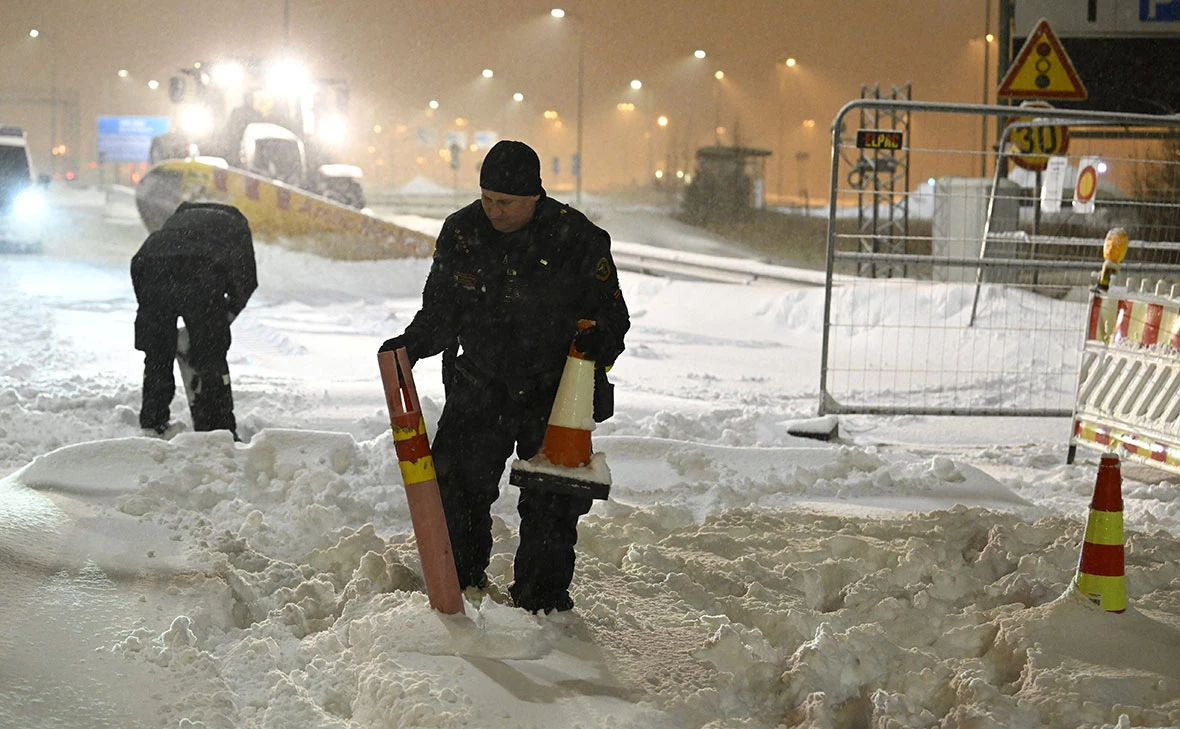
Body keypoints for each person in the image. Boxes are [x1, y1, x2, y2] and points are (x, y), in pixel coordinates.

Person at [379, 140, 629, 614]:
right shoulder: (462, 232)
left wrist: (600, 340)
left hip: (552, 394)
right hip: (481, 384)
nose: (493, 211)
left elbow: (612, 316)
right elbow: (441, 312)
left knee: (551, 502)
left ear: (535, 197)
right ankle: (459, 588)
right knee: (458, 489)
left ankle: (543, 603)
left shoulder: (575, 238)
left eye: (506, 203)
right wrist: (410, 345)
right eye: (487, 198)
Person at [131, 201, 256, 439]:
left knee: (158, 352)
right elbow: (246, 279)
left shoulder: (177, 220)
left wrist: (155, 317)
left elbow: (149, 266)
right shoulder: (236, 225)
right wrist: (222, 319)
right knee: (210, 354)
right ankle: (218, 428)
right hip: (199, 269)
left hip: (149, 263)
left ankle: (153, 419)